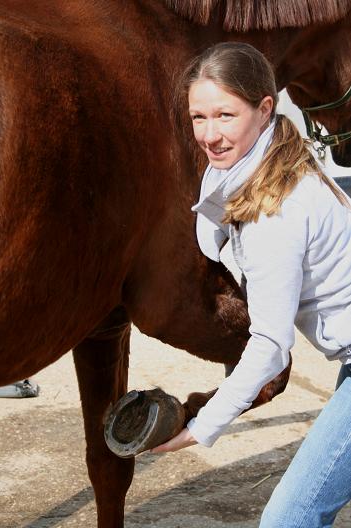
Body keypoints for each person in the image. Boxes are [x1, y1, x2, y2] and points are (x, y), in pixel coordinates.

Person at [151, 42, 351, 527]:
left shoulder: (273, 212)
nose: (210, 134)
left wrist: (204, 426)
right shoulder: (278, 164)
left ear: (265, 109)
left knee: (289, 519)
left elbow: (269, 346)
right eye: (198, 117)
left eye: (225, 115)